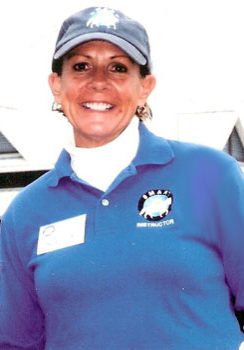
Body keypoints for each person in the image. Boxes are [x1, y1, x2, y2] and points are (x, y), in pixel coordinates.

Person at [0, 6, 244, 350]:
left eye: (118, 67)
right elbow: (15, 342)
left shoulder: (210, 174)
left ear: (145, 86)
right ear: (57, 85)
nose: (98, 81)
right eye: (81, 66)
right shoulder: (24, 213)